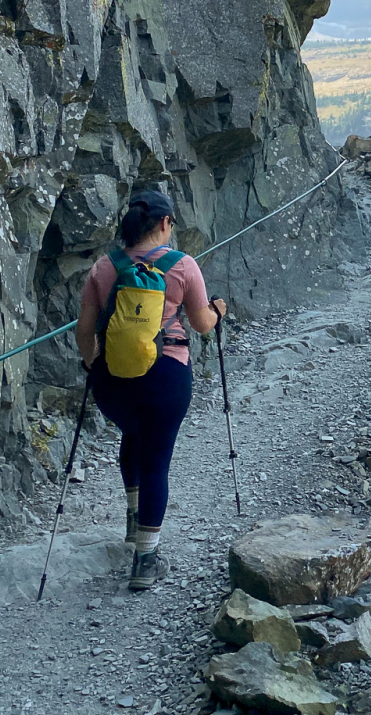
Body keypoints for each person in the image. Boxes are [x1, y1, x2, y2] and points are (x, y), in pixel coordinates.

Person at [76, 191, 225, 590]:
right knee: (157, 459)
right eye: (171, 223)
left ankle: (133, 520)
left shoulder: (103, 267)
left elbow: (84, 331)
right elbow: (202, 324)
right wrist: (218, 310)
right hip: (166, 377)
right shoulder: (183, 265)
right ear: (163, 223)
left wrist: (93, 365)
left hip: (113, 380)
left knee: (132, 433)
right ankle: (145, 560)